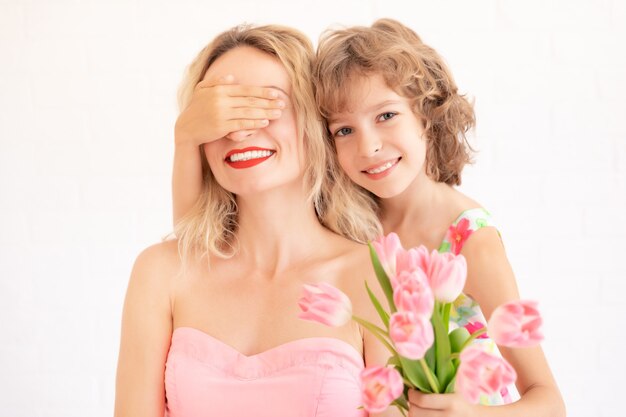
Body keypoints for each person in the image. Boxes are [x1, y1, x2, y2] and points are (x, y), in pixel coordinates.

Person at [114, 23, 401, 417]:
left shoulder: (375, 276)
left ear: (315, 123)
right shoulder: (162, 273)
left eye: (266, 105)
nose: (240, 131)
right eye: (218, 114)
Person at [313, 18, 565, 417]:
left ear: (426, 113)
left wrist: (472, 414)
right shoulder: (343, 226)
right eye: (344, 130)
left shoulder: (470, 241)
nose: (369, 146)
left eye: (385, 116)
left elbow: (548, 401)